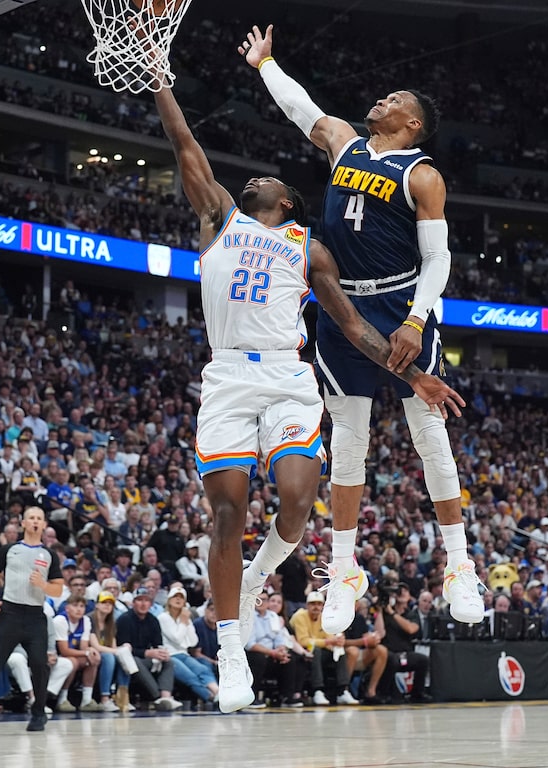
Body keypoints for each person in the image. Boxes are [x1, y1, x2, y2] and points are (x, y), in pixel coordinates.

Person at [152, 78, 463, 713]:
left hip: (289, 377)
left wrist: (415, 375)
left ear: (289, 200)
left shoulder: (309, 247)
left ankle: (264, 570)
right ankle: (232, 646)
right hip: (228, 378)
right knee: (228, 515)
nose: (254, 183)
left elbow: (351, 325)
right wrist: (161, 84)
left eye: (266, 181)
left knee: (297, 504)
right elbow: (183, 142)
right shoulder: (219, 217)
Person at [239, 26, 482, 633]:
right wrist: (266, 64)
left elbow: (439, 260)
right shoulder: (345, 143)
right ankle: (343, 567)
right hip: (343, 308)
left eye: (396, 98)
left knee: (431, 437)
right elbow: (302, 110)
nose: (383, 99)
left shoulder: (422, 175)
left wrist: (417, 319)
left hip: (401, 305)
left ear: (412, 125)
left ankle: (458, 562)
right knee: (348, 444)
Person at [0, 505, 63, 734]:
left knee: (40, 665)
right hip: (9, 613)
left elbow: (58, 590)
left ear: (44, 524)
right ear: (23, 523)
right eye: (31, 518)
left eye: (39, 518)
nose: (35, 521)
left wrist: (44, 585)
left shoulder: (49, 555)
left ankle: (39, 713)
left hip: (35, 616)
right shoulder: (9, 550)